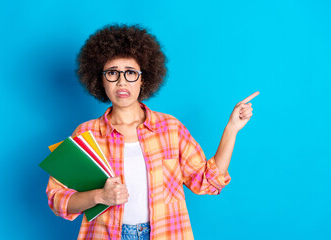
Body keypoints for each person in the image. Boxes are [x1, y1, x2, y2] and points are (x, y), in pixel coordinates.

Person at [45, 24, 259, 240]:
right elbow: (58, 199)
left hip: (165, 233)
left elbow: (206, 181)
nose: (121, 82)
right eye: (112, 73)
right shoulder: (86, 132)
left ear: (143, 78)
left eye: (130, 73)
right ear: (100, 79)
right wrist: (99, 196)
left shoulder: (170, 128)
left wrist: (231, 129)